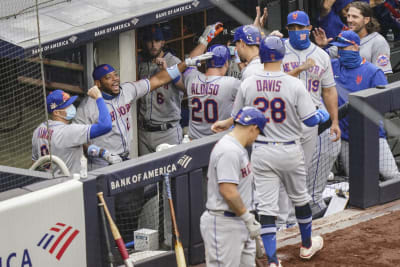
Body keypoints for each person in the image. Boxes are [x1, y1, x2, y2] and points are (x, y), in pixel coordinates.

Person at [212, 36, 329, 266]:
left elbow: (239, 118)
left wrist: (226, 123)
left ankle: (273, 261)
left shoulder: (248, 82)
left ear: (263, 56)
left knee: (266, 208)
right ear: (282, 56)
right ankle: (306, 246)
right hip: (289, 149)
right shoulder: (294, 83)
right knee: (300, 199)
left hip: (262, 151)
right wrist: (321, 115)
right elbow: (310, 121)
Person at [74, 59, 196, 170]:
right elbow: (77, 138)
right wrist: (100, 153)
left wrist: (185, 64)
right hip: (100, 165)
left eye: (115, 75)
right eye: (108, 77)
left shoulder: (127, 90)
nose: (115, 79)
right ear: (98, 83)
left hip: (125, 159)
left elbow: (159, 79)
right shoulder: (87, 107)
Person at [278, 10, 340, 224]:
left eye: (300, 28)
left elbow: (329, 90)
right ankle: (282, 219)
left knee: (301, 171)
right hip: (283, 119)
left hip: (310, 120)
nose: (296, 32)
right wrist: (300, 68)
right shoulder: (279, 50)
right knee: (283, 169)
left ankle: (294, 218)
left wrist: (334, 121)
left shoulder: (321, 55)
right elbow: (272, 80)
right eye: (292, 28)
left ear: (308, 28)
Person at [329, 30, 400, 180]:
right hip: (345, 135)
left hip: (370, 133)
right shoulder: (333, 65)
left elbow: (385, 102)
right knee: (356, 180)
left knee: (391, 175)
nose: (340, 52)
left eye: (344, 48)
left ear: (355, 47)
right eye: (339, 49)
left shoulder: (373, 72)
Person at [200, 106, 266, 267]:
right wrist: (247, 218)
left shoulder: (237, 148)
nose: (256, 138)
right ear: (253, 128)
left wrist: (248, 220)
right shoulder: (228, 150)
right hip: (224, 224)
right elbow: (228, 191)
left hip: (239, 221)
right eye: (258, 133)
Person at [32, 87, 112, 175]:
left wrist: (97, 151)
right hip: (69, 185)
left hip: (48, 183)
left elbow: (35, 164)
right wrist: (99, 98)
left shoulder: (38, 130)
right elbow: (106, 126)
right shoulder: (69, 131)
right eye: (67, 106)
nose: (72, 107)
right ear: (56, 113)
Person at [137, 25, 184, 155]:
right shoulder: (140, 64)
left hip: (167, 131)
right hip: (144, 132)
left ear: (163, 42)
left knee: (174, 173)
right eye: (149, 41)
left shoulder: (173, 61)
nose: (153, 45)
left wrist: (168, 72)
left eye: (157, 41)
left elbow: (185, 87)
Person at [314, 1, 393, 74]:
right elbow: (321, 60)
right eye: (348, 16)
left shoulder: (378, 41)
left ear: (366, 20)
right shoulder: (345, 39)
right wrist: (321, 47)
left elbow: (382, 78)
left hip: (366, 88)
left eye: (355, 17)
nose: (349, 20)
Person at [183, 44, 241, 139]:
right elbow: (251, 87)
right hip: (217, 143)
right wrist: (240, 63)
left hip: (194, 142)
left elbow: (189, 64)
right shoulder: (231, 83)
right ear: (226, 63)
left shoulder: (191, 78)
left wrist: (203, 42)